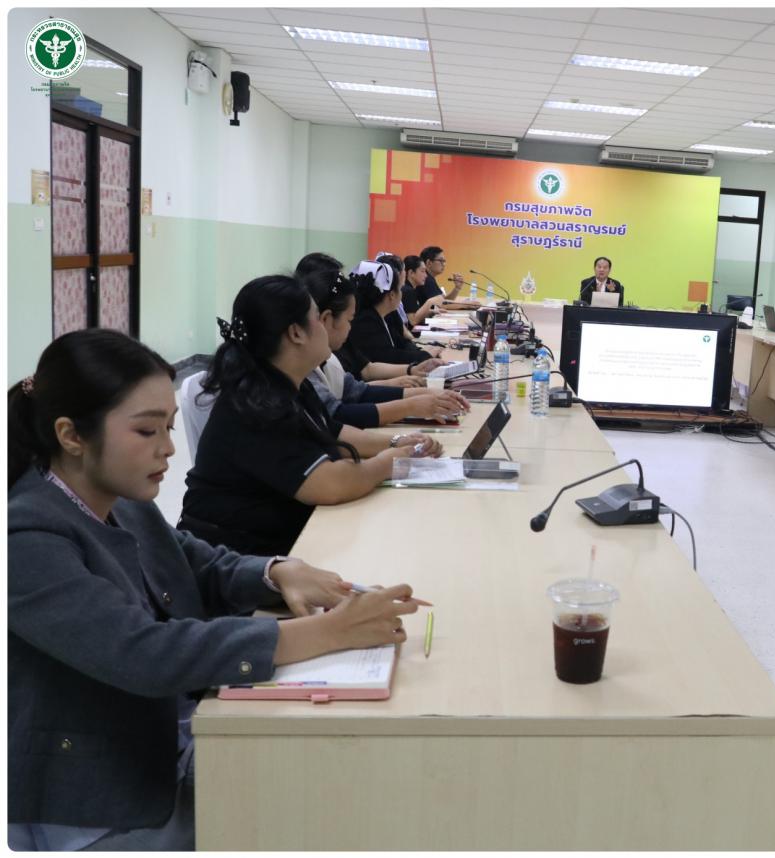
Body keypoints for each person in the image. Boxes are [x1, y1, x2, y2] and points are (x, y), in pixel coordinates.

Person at [9, 328, 425, 851]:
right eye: (146, 431)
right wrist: (328, 632)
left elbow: (194, 561)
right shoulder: (26, 537)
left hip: (169, 743)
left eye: (168, 427)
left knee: (336, 788)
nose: (168, 448)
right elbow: (143, 652)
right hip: (102, 805)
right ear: (71, 436)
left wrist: (277, 572)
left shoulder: (116, 494)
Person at [179, 274, 443, 556]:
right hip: (237, 558)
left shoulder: (288, 382)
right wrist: (391, 461)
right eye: (317, 317)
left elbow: (332, 431)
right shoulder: (256, 404)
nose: (324, 326)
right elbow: (331, 484)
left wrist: (399, 442)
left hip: (276, 539)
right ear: (296, 333)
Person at [301, 267, 470, 429]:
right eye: (349, 320)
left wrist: (427, 393)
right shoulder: (304, 373)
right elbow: (336, 417)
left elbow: (357, 390)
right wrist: (410, 405)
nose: (351, 327)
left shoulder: (327, 360)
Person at [296, 252, 440, 388]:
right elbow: (345, 398)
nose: (350, 326)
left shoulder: (334, 342)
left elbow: (362, 375)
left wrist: (411, 371)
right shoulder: (360, 323)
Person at [346, 260, 441, 367]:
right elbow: (388, 357)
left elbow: (401, 342)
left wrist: (421, 352)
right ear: (391, 295)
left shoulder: (384, 314)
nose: (401, 293)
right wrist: (424, 355)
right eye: (400, 289)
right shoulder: (366, 321)